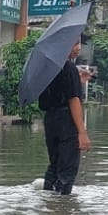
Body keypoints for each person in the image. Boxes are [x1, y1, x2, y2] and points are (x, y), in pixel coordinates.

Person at [38, 31, 92, 194]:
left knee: (54, 166)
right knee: (67, 171)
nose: (78, 48)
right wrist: (82, 132)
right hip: (67, 122)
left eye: (79, 43)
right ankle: (62, 212)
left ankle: (49, 202)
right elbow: (73, 100)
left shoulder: (47, 67)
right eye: (75, 43)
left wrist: (76, 79)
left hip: (51, 121)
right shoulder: (69, 68)